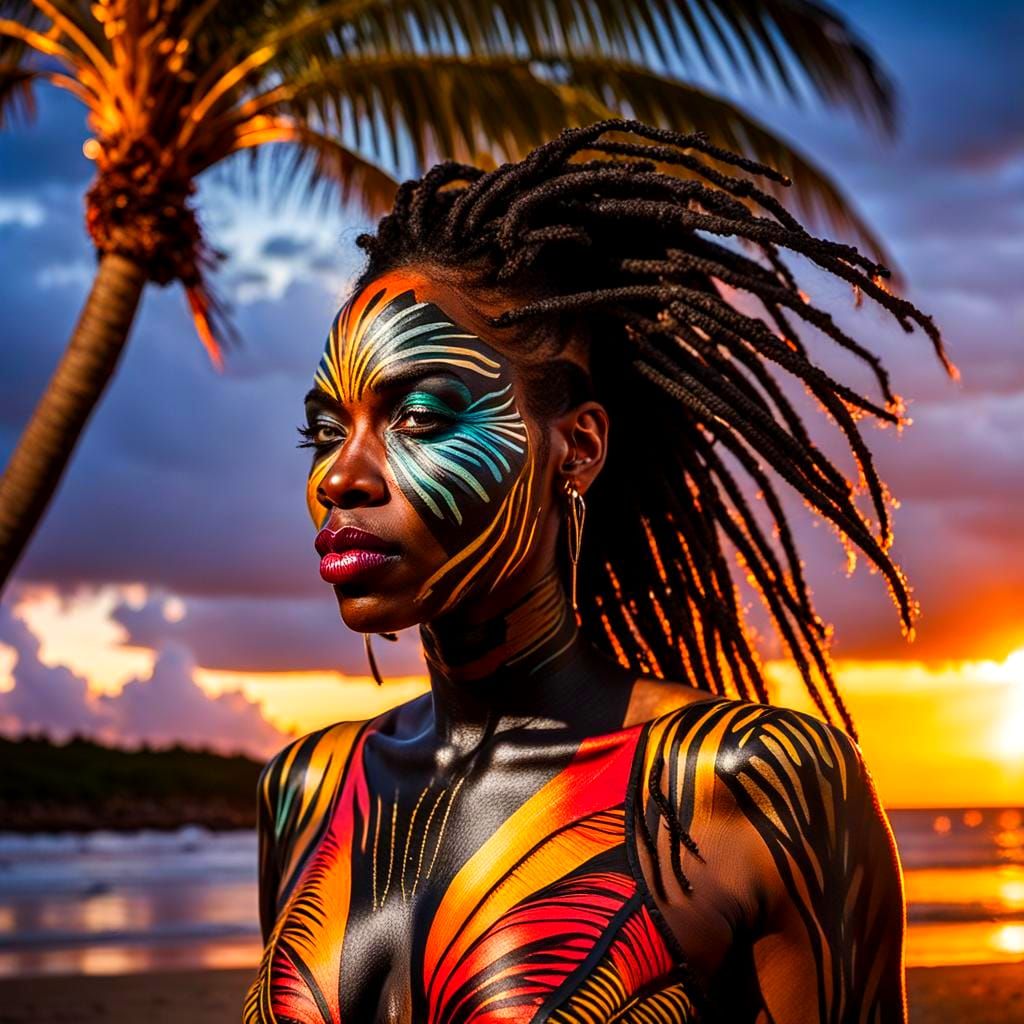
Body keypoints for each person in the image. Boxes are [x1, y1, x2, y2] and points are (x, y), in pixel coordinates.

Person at [244, 120, 952, 1023]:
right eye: (325, 428)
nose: (339, 474)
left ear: (575, 447)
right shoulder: (306, 793)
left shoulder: (739, 787)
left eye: (418, 417)